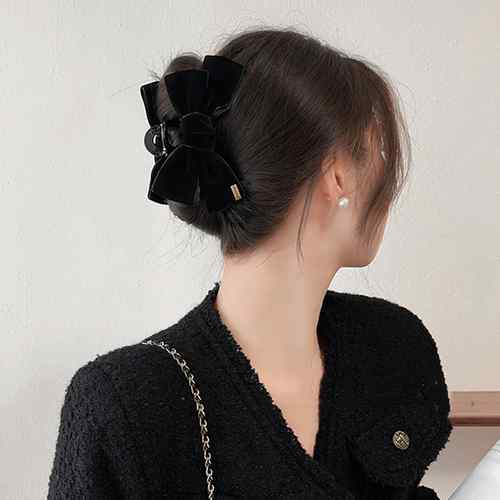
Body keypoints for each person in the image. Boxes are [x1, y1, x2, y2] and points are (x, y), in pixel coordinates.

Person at [47, 26, 453, 499]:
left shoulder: (388, 350)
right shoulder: (127, 405)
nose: (387, 177)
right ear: (339, 173)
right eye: (377, 151)